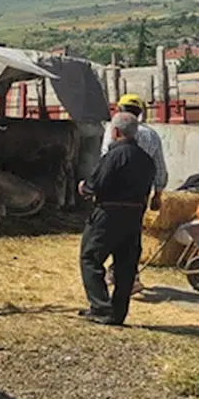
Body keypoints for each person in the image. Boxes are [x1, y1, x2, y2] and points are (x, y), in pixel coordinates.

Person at [77, 112, 156, 326]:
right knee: (126, 266)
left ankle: (101, 308)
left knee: (90, 258)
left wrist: (84, 187)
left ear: (115, 132)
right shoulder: (146, 160)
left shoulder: (114, 156)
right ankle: (118, 312)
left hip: (108, 215)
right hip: (134, 217)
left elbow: (96, 184)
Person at [101, 93, 168, 295]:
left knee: (110, 232)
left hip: (114, 192)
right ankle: (129, 275)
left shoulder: (113, 130)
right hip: (140, 194)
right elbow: (160, 167)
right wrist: (158, 193)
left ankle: (115, 272)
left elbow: (106, 158)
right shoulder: (152, 135)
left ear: (119, 110)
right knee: (132, 233)